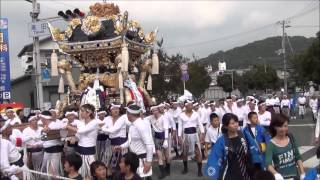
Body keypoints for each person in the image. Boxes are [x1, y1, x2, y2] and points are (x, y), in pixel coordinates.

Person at [205, 113, 263, 180]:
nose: (236, 125)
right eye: (232, 123)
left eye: (236, 122)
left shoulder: (243, 134)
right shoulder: (222, 140)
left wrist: (257, 162)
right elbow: (215, 157)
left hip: (247, 170)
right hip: (230, 173)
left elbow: (253, 147)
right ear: (226, 126)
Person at [116, 104, 154, 179]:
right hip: (135, 159)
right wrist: (121, 146)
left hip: (142, 159)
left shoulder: (141, 125)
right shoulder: (133, 125)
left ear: (129, 114)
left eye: (127, 113)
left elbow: (149, 144)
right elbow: (131, 141)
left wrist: (148, 162)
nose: (126, 115)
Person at [265, 114, 305, 180]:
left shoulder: (291, 138)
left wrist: (303, 173)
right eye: (280, 126)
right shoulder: (271, 144)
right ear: (275, 127)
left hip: (295, 176)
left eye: (285, 126)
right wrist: (276, 174)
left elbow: (298, 156)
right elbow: (268, 165)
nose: (283, 129)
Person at [65, 104, 99, 178]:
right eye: (81, 111)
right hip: (80, 151)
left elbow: (81, 131)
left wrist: (68, 126)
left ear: (89, 113)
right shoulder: (81, 122)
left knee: (90, 174)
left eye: (83, 111)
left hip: (89, 153)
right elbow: (80, 135)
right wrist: (75, 137)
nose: (81, 113)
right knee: (81, 173)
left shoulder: (94, 122)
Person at [178, 100, 204, 176]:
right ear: (185, 106)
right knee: (185, 152)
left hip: (195, 134)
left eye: (191, 105)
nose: (191, 106)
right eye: (189, 105)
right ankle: (185, 168)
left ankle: (199, 170)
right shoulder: (181, 115)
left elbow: (200, 123)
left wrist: (202, 133)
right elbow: (180, 126)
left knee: (198, 152)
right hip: (185, 135)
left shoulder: (196, 114)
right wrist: (179, 136)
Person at [101, 103, 127, 174]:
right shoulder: (107, 119)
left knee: (122, 163)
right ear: (110, 111)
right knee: (108, 162)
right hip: (111, 143)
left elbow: (113, 130)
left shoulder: (123, 118)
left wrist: (103, 128)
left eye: (117, 109)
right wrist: (104, 129)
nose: (116, 111)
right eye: (114, 109)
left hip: (121, 143)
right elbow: (106, 132)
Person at [145, 105, 168, 179]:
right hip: (156, 138)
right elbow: (142, 119)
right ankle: (162, 172)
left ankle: (166, 169)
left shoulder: (163, 118)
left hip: (164, 137)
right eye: (153, 111)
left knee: (165, 155)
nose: (155, 112)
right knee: (159, 155)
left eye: (156, 110)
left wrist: (166, 140)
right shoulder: (151, 117)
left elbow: (166, 129)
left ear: (158, 110)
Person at [40, 110, 65, 178]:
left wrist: (49, 130)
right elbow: (43, 139)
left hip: (55, 151)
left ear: (44, 118)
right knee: (45, 172)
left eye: (41, 118)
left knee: (53, 174)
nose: (41, 120)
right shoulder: (45, 127)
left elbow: (63, 131)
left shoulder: (56, 125)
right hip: (47, 152)